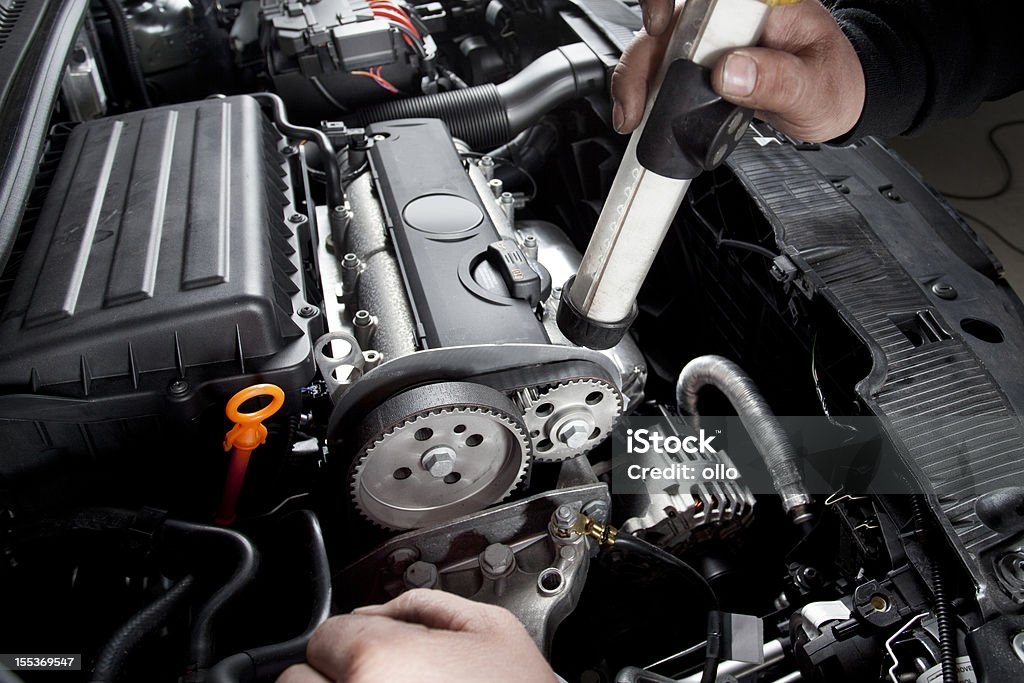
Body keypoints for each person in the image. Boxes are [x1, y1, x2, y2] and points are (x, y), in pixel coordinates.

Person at [281, 3, 1024, 681]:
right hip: (580, 464)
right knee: (796, 482)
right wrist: (873, 60)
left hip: (620, 477)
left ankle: (736, 601)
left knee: (817, 486)